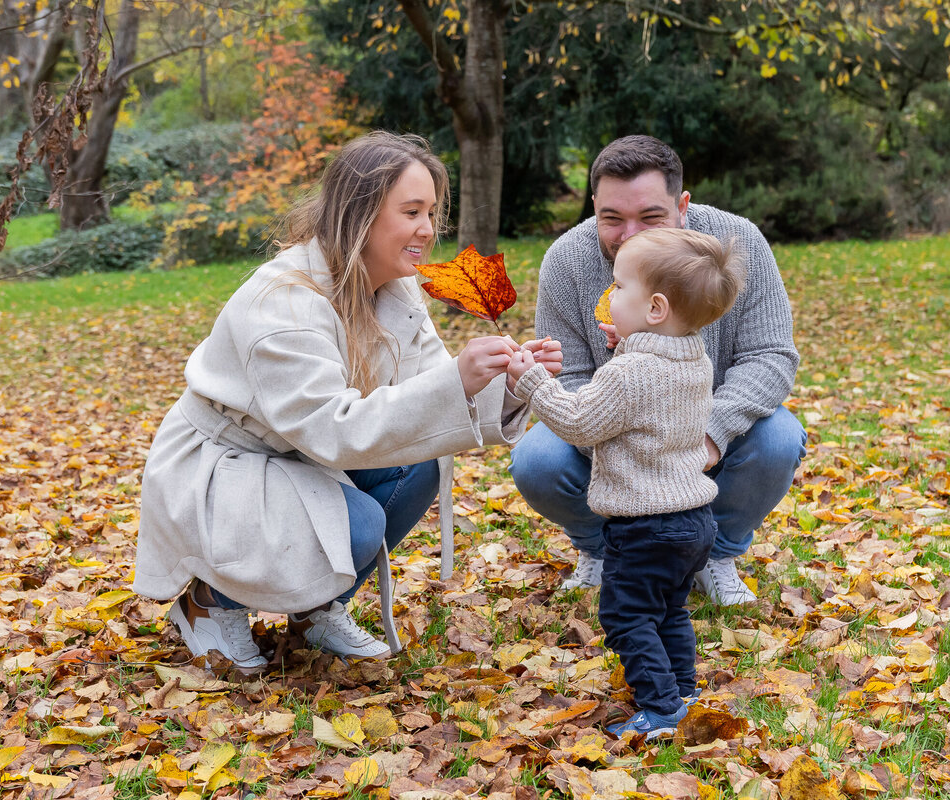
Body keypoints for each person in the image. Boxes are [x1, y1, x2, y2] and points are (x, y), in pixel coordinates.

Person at [133, 132, 561, 671]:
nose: (427, 230)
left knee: (418, 466)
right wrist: (458, 377)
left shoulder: (394, 290)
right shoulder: (283, 302)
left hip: (302, 457)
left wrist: (512, 379)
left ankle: (318, 608)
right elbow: (333, 432)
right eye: (411, 212)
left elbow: (429, 389)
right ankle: (207, 605)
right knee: (356, 524)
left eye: (431, 212)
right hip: (228, 466)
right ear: (360, 213)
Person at [509, 134, 806, 606]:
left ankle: (717, 553)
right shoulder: (567, 259)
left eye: (650, 216)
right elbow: (569, 377)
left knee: (780, 439)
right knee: (536, 459)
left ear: (682, 205)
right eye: (612, 218)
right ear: (593, 207)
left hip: (715, 433)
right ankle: (604, 550)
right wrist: (626, 440)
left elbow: (770, 356)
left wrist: (707, 433)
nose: (631, 235)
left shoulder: (737, 242)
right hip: (609, 435)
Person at [507, 227, 743, 738]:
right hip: (693, 521)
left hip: (645, 527)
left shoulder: (631, 371)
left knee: (627, 618)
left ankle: (660, 710)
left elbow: (578, 422)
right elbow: (648, 390)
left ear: (655, 308)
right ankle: (681, 686)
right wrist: (626, 348)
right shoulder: (693, 357)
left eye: (618, 287)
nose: (609, 296)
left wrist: (533, 383)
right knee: (668, 610)